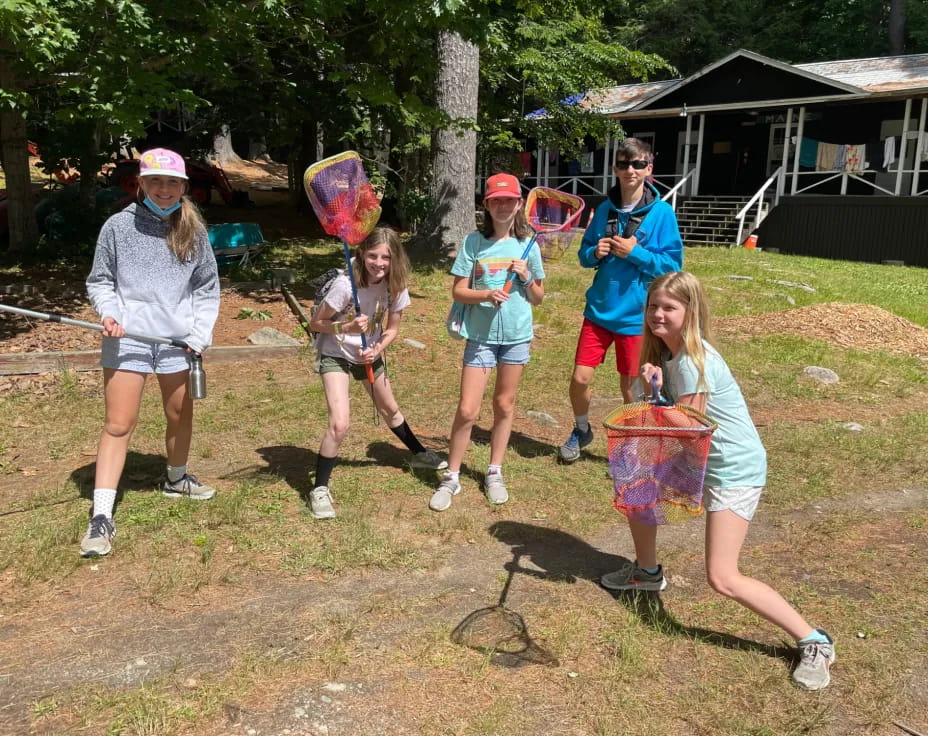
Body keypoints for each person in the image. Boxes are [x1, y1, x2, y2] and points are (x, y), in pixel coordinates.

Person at [601, 271, 836, 690]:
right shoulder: (669, 356)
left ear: (690, 312)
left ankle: (814, 641)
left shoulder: (692, 361)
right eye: (653, 305)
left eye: (669, 308)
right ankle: (648, 572)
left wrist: (652, 406)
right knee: (637, 490)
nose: (657, 314)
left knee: (723, 577)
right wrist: (654, 394)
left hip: (732, 470)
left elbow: (688, 432)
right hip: (704, 459)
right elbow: (678, 423)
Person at [82, 148, 220, 557]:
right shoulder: (116, 227)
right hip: (128, 340)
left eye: (172, 182)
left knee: (180, 414)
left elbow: (207, 287)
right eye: (155, 181)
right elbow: (100, 281)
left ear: (183, 187)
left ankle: (176, 479)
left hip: (178, 342)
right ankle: (101, 515)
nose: (164, 189)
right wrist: (108, 313)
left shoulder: (193, 229)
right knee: (119, 424)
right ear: (140, 183)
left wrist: (199, 334)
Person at [308, 226, 447, 519]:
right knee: (340, 424)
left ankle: (420, 454)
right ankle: (319, 489)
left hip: (369, 355)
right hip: (336, 354)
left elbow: (393, 329)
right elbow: (316, 323)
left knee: (391, 409)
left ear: (395, 259)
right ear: (361, 254)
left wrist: (378, 349)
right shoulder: (345, 286)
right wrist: (343, 327)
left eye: (386, 257)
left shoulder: (395, 287)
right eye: (373, 256)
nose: (379, 263)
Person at [559, 138, 682, 464]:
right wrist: (592, 252)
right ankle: (582, 429)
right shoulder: (604, 209)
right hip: (599, 311)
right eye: (624, 164)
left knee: (631, 387)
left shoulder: (661, 213)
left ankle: (632, 446)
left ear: (649, 170)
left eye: (638, 164)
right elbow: (584, 255)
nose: (631, 170)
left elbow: (673, 267)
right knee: (579, 379)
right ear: (615, 168)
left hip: (634, 316)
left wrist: (635, 253)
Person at [430, 172, 545, 512]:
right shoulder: (473, 243)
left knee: (504, 405)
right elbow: (458, 291)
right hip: (479, 337)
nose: (502, 205)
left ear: (519, 204)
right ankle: (451, 476)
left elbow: (538, 298)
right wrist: (485, 294)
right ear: (486, 204)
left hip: (516, 337)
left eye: (509, 200)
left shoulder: (529, 246)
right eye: (495, 200)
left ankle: (494, 471)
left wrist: (525, 277)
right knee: (468, 409)